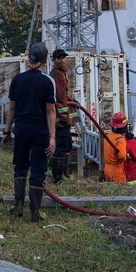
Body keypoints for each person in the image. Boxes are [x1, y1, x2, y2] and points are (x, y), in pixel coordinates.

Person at [2, 42, 56, 222]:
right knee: (38, 168)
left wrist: (7, 131)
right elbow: (50, 111)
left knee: (20, 165)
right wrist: (53, 137)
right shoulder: (48, 81)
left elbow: (11, 108)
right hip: (40, 131)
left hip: (22, 129)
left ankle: (17, 206)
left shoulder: (17, 79)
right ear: (44, 60)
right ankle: (35, 212)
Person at [49, 48, 78, 184]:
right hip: (60, 119)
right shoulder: (56, 74)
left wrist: (72, 100)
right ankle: (57, 178)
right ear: (54, 60)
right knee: (61, 147)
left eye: (64, 58)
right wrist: (62, 118)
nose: (62, 60)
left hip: (63, 117)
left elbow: (63, 95)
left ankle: (64, 174)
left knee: (67, 144)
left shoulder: (61, 73)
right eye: (59, 58)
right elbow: (59, 99)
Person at [103, 112, 128, 183]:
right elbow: (122, 156)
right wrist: (127, 155)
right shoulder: (121, 140)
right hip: (117, 171)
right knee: (120, 192)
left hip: (107, 169)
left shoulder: (108, 137)